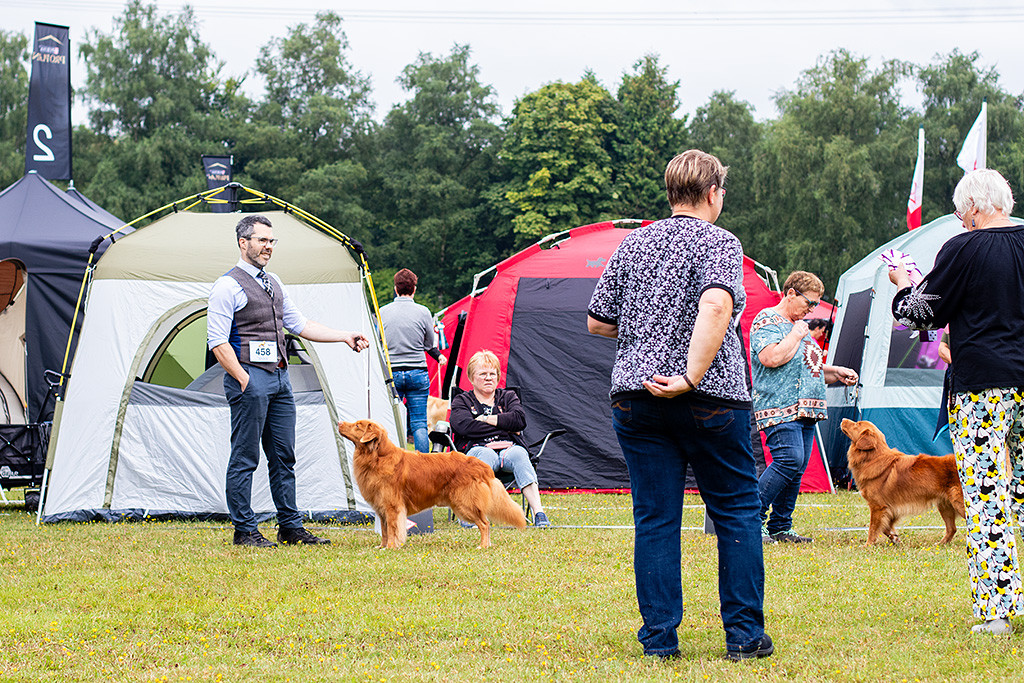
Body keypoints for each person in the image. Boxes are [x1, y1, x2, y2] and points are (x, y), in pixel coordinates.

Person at [587, 149, 772, 661]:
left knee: (656, 518)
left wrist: (649, 330)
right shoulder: (720, 242)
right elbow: (716, 304)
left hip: (636, 394)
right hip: (709, 395)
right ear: (713, 192)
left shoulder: (632, 244)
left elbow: (597, 322)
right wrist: (690, 374)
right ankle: (743, 636)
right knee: (736, 510)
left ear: (671, 194)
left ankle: (659, 641)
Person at [890, 168, 1024, 635]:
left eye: (957, 213)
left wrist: (903, 284)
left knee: (987, 497)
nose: (959, 221)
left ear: (972, 207)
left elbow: (923, 311)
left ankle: (996, 612)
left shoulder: (963, 248)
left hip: (984, 384)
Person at [207, 214, 370, 548]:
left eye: (271, 241)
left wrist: (344, 336)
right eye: (262, 240)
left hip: (281, 379)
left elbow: (300, 324)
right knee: (245, 456)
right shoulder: (226, 286)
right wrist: (243, 380)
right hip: (250, 379)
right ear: (243, 242)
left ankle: (290, 527)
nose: (268, 246)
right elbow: (218, 342)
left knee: (284, 456)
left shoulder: (275, 282)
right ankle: (244, 530)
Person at [750, 272, 858, 544]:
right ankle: (750, 519)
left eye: (815, 305)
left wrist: (835, 372)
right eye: (809, 303)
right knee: (789, 460)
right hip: (779, 405)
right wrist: (797, 334)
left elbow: (806, 367)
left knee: (797, 467)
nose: (812, 310)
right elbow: (771, 358)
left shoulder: (798, 327)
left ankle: (780, 526)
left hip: (807, 409)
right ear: (790, 293)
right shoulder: (767, 320)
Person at [448, 350, 550, 528]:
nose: (488, 378)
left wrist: (486, 419)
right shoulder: (462, 400)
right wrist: (505, 425)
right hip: (478, 448)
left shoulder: (508, 397)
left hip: (509, 449)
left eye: (492, 374)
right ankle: (472, 514)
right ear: (471, 378)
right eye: (482, 374)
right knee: (483, 457)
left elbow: (519, 420)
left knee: (520, 455)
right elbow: (464, 426)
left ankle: (539, 513)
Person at [379, 268, 447, 453]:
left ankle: (392, 462)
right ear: (414, 288)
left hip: (392, 374)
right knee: (419, 423)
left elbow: (379, 342)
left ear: (395, 288)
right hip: (417, 372)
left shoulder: (382, 312)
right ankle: (423, 467)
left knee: (393, 420)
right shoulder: (423, 312)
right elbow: (429, 343)